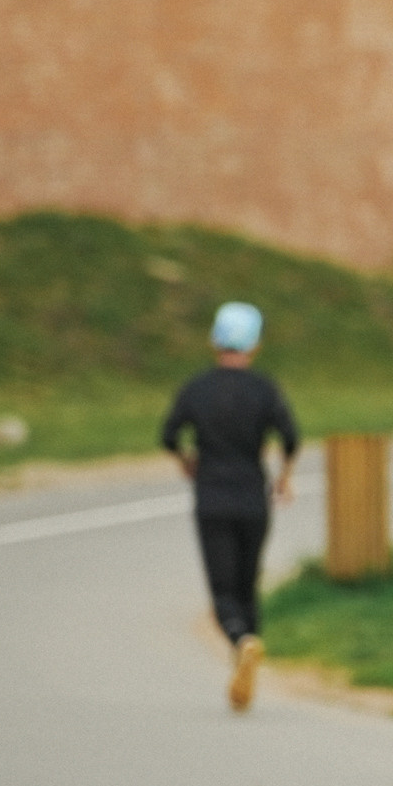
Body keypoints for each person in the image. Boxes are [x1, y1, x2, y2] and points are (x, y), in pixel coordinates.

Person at [162, 301, 299, 711]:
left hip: (212, 498)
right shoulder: (265, 389)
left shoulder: (196, 388)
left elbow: (169, 434)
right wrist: (284, 477)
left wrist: (187, 460)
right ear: (254, 347)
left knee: (222, 592)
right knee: (247, 585)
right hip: (254, 500)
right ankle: (248, 661)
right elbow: (291, 437)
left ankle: (241, 642)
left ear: (213, 342)